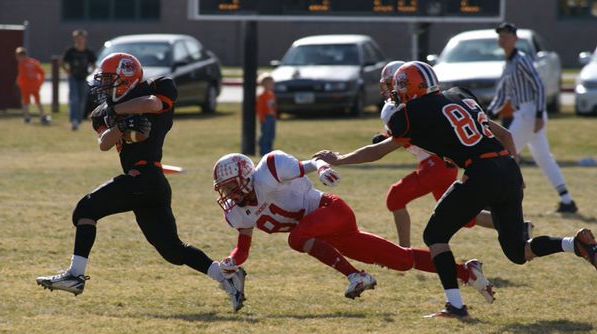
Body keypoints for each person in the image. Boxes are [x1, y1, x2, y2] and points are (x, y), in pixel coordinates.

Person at [314, 61, 597, 318]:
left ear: (410, 88)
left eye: (401, 87)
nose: (397, 93)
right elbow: (506, 135)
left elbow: (378, 152)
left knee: (434, 234)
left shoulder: (410, 113)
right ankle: (574, 244)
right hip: (507, 169)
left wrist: (339, 159)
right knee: (517, 251)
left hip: (479, 172)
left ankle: (456, 305)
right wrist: (515, 171)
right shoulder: (461, 95)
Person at [36, 53, 246, 312]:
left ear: (126, 79)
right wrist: (121, 127)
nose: (103, 86)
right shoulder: (102, 113)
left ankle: (75, 275)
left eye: (109, 80)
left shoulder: (158, 86)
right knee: (172, 250)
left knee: (85, 210)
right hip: (149, 184)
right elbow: (104, 144)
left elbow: (153, 104)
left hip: (145, 177)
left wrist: (118, 112)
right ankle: (226, 275)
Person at [212, 150, 495, 304]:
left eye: (230, 186)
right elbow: (244, 246)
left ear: (246, 176)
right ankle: (466, 271)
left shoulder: (269, 169)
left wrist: (322, 169)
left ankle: (356, 276)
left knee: (296, 238)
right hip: (327, 234)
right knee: (400, 260)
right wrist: (231, 261)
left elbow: (313, 162)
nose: (229, 194)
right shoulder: (239, 211)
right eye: (224, 189)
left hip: (330, 210)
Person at [373, 61, 532, 247]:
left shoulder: (401, 110)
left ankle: (405, 252)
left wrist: (386, 140)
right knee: (461, 215)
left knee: (396, 197)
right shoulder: (436, 102)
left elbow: (411, 137)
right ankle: (519, 227)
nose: (389, 89)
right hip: (447, 163)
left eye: (392, 83)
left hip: (435, 164)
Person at [488, 22, 577, 213]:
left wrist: (538, 114)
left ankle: (494, 197)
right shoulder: (509, 62)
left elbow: (538, 86)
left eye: (506, 35)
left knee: (503, 152)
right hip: (524, 113)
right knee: (544, 158)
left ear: (515, 38)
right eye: (500, 35)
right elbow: (503, 94)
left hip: (529, 113)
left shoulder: (521, 59)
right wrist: (487, 114)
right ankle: (567, 200)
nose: (502, 38)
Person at [61, 29, 97, 131]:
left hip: (83, 78)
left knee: (82, 99)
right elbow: (62, 62)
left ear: (84, 39)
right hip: (73, 78)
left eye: (81, 38)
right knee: (74, 98)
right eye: (77, 38)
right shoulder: (71, 51)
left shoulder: (88, 52)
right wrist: (68, 71)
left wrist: (90, 73)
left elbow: (94, 64)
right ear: (74, 39)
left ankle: (79, 119)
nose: (79, 40)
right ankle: (74, 120)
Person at [15, 47, 48, 124]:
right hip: (35, 85)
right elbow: (42, 73)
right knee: (38, 101)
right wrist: (40, 82)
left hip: (26, 86)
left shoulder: (22, 64)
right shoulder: (34, 62)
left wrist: (18, 82)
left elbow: (21, 75)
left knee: (25, 102)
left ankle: (27, 117)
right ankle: (42, 115)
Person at [256, 73, 277, 156]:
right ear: (263, 84)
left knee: (271, 136)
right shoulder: (262, 96)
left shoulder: (272, 94)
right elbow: (260, 109)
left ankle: (270, 153)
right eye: (269, 83)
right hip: (266, 118)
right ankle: (263, 152)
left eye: (272, 83)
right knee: (265, 136)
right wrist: (262, 118)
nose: (271, 85)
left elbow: (274, 106)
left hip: (272, 118)